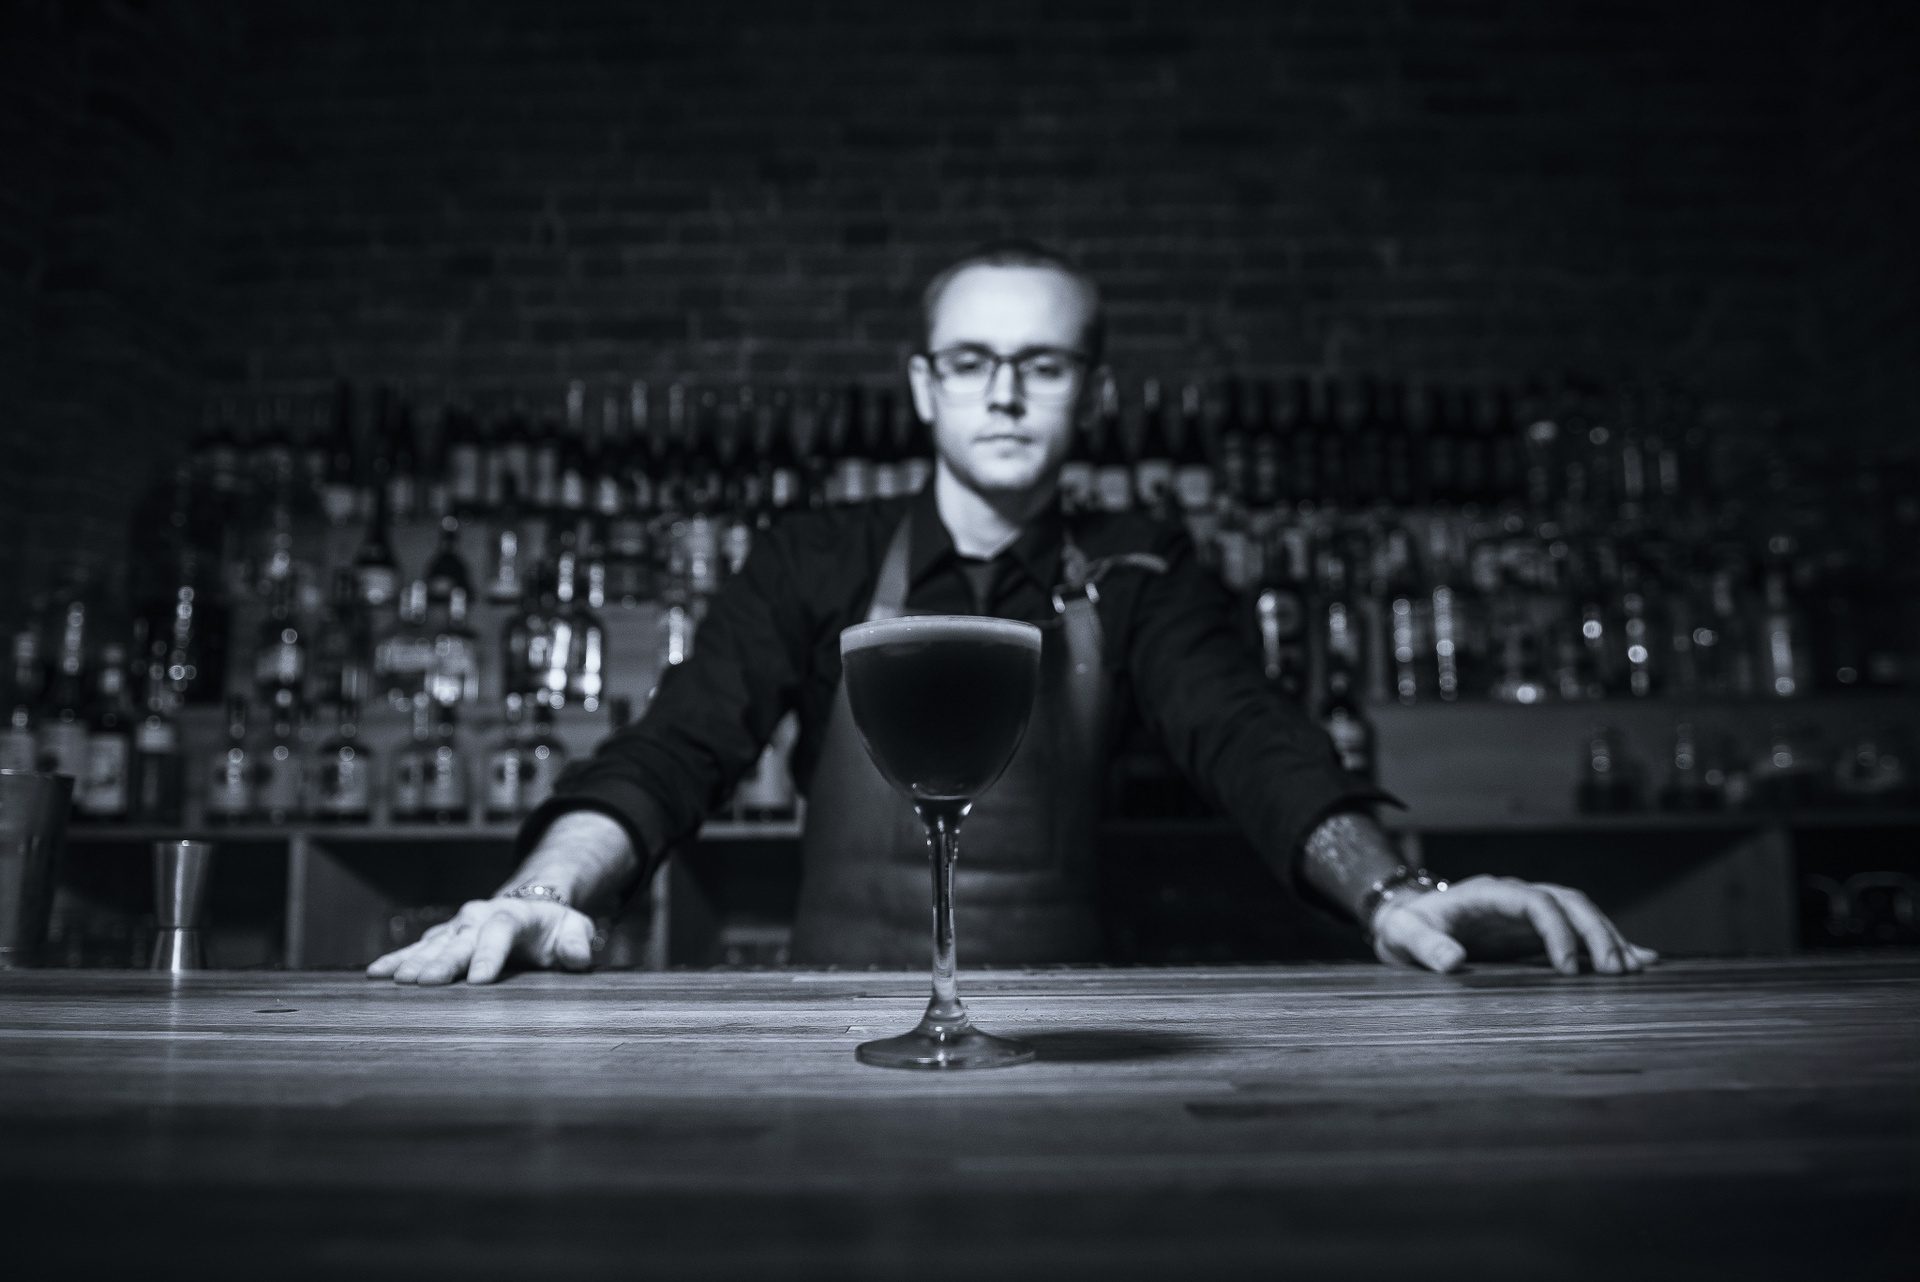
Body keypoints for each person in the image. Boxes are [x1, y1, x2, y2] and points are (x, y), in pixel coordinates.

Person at [370, 242, 1656, 986]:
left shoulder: (1141, 565)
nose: (1002, 393)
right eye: (972, 361)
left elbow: (1247, 733)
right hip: (823, 1020)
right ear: (922, 385)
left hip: (1069, 1019)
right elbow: (680, 745)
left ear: (1091, 392)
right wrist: (541, 890)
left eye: (1041, 364)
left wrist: (1391, 891)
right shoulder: (818, 554)